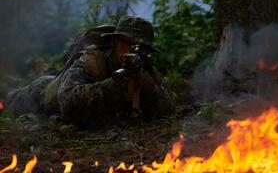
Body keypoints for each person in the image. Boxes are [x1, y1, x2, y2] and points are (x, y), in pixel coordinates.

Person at [7, 16, 175, 127]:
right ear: (114, 42)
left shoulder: (145, 68)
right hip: (42, 94)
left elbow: (167, 108)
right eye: (127, 43)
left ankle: (40, 66)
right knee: (8, 100)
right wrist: (115, 84)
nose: (134, 51)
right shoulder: (93, 60)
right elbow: (68, 102)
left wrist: (149, 87)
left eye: (141, 48)